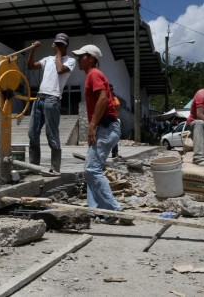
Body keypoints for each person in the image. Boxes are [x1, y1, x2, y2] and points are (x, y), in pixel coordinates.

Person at [72, 44, 132, 225]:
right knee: (92, 171)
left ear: (91, 58)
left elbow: (103, 98)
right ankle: (97, 210)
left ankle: (115, 210)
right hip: (105, 128)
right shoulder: (91, 76)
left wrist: (92, 126)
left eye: (81, 56)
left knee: (91, 169)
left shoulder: (94, 74)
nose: (78, 59)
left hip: (106, 128)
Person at [27, 33, 76, 173]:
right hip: (39, 99)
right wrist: (33, 50)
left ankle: (55, 168)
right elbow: (31, 66)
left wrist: (59, 54)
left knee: (52, 135)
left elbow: (60, 70)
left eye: (61, 45)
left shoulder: (70, 61)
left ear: (65, 46)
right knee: (32, 133)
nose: (57, 47)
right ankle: (34, 167)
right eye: (57, 44)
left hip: (52, 99)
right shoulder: (48, 59)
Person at [109, 84, 121, 158]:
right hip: (106, 119)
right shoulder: (104, 97)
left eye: (112, 90)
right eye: (110, 90)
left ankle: (115, 152)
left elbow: (117, 107)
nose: (111, 91)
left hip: (114, 119)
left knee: (115, 136)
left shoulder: (114, 98)